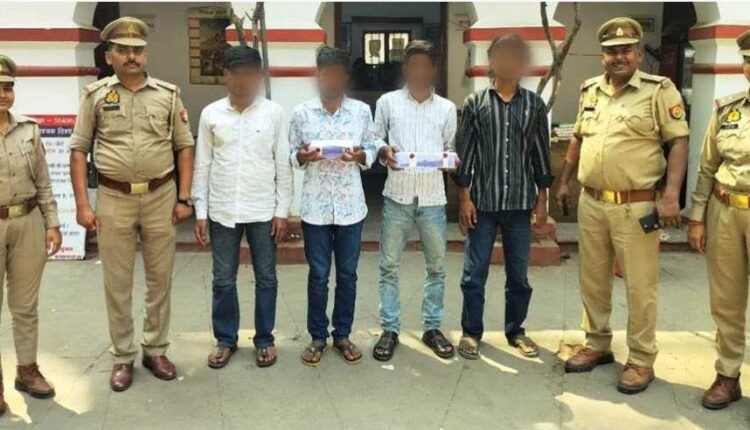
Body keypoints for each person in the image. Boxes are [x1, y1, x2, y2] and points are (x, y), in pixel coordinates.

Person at [556, 18, 689, 394]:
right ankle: (597, 343)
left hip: (637, 206)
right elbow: (578, 138)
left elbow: (678, 142)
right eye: (612, 51)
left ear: (637, 53)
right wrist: (564, 181)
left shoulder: (659, 91)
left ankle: (641, 358)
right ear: (602, 56)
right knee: (593, 279)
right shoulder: (590, 90)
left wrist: (670, 195)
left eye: (626, 50)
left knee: (640, 287)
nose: (619, 57)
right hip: (592, 202)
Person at [69, 17, 195, 392]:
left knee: (160, 280)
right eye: (123, 51)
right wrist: (83, 205)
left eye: (137, 51)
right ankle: (122, 356)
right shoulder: (94, 96)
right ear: (109, 56)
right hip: (114, 199)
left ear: (145, 55)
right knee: (117, 282)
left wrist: (184, 197)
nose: (131, 57)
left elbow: (184, 146)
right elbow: (78, 151)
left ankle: (155, 350)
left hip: (160, 197)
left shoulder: (167, 95)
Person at [452, 34, 552, 361]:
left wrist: (542, 199)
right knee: (474, 274)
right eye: (502, 56)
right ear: (492, 61)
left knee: (519, 276)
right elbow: (465, 153)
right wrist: (464, 198)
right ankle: (471, 332)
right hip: (483, 203)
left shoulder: (534, 105)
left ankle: (516, 331)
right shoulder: (475, 104)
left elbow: (540, 154)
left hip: (520, 205)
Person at [193, 46, 292, 369]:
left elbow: (282, 164)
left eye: (249, 73)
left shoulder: (274, 113)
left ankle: (264, 339)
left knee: (267, 278)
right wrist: (201, 211)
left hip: (263, 210)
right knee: (223, 279)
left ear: (258, 76)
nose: (242, 80)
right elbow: (202, 164)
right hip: (223, 210)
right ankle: (225, 340)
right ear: (225, 75)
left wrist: (282, 211)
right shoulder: (211, 114)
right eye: (236, 73)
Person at [289, 46, 385, 366]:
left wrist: (361, 156)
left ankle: (342, 334)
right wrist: (303, 156)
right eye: (325, 73)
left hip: (350, 206)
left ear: (345, 77)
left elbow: (371, 147)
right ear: (317, 75)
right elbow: (292, 153)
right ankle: (317, 336)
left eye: (337, 74)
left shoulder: (361, 112)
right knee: (318, 275)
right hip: (315, 208)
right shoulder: (302, 112)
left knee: (347, 274)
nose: (330, 79)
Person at [372, 40, 457, 361]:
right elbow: (374, 138)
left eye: (425, 65)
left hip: (433, 197)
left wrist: (450, 160)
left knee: (436, 267)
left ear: (433, 69)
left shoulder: (446, 108)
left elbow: (450, 148)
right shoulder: (388, 103)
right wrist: (384, 151)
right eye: (413, 65)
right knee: (389, 266)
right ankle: (390, 329)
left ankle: (432, 327)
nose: (419, 71)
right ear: (405, 68)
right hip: (397, 195)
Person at [687, 29, 750, 410]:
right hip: (725, 211)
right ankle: (728, 374)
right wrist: (697, 217)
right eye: (749, 60)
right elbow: (707, 166)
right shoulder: (728, 109)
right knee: (726, 300)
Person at [0, 55, 62, 412]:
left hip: (27, 221)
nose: (3, 94)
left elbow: (43, 181)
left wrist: (52, 223)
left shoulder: (29, 129)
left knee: (25, 305)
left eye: (8, 87)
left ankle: (27, 369)